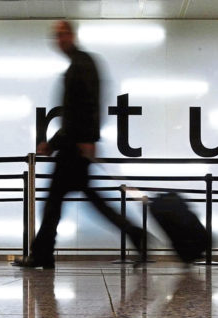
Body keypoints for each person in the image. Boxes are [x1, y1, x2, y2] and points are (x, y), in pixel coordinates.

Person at [15, 20, 145, 268]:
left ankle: (42, 254)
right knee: (83, 201)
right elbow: (79, 111)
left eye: (63, 34)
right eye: (56, 35)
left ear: (72, 36)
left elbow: (88, 106)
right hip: (73, 145)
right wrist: (56, 143)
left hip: (75, 147)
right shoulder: (79, 64)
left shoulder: (82, 65)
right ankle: (135, 235)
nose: (59, 39)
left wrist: (86, 139)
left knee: (56, 202)